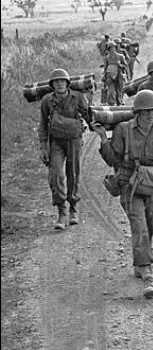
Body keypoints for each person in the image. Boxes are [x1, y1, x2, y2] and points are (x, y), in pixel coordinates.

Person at [92, 90, 153, 299]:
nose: (149, 115)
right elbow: (112, 160)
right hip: (129, 184)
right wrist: (102, 138)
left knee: (149, 223)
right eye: (145, 112)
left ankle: (140, 261)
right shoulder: (123, 129)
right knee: (139, 225)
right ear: (137, 112)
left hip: (151, 183)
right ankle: (146, 269)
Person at [38, 68, 90, 229]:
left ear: (68, 83)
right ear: (52, 84)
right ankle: (62, 211)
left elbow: (89, 116)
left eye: (62, 81)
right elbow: (43, 125)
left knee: (73, 174)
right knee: (56, 175)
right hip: (56, 142)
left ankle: (73, 208)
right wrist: (43, 147)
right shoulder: (47, 100)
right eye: (56, 81)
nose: (59, 84)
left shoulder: (78, 97)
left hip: (74, 140)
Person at [102, 41, 128, 105]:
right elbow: (105, 68)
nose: (112, 49)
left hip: (119, 75)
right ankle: (112, 104)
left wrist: (120, 65)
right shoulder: (107, 58)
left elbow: (125, 66)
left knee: (119, 90)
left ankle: (120, 102)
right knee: (111, 91)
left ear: (116, 48)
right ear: (108, 49)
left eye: (113, 48)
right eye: (110, 48)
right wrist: (104, 77)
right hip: (110, 75)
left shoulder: (120, 56)